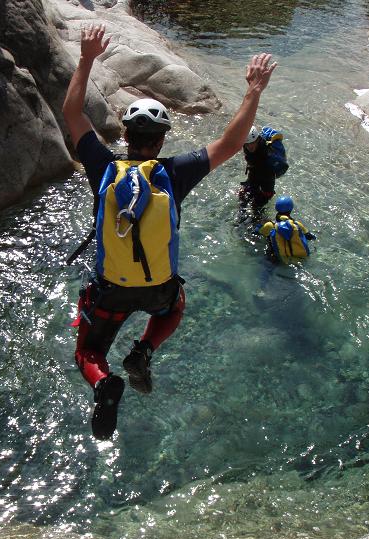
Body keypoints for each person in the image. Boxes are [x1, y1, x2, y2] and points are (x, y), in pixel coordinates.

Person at [62, 23, 276, 440]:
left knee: (87, 352)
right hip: (159, 288)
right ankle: (143, 350)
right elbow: (232, 143)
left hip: (109, 291)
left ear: (125, 134)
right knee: (174, 306)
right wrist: (254, 90)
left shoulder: (103, 167)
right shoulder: (175, 173)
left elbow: (73, 113)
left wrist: (87, 58)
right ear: (161, 141)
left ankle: (104, 384)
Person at [238, 124, 288, 214]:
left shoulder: (267, 153)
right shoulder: (247, 146)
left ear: (257, 140)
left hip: (267, 177)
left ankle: (260, 220)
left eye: (252, 143)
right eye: (247, 144)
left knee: (257, 206)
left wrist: (262, 196)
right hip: (255, 172)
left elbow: (268, 187)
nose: (249, 147)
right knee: (242, 196)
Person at [256, 196, 316, 264]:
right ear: (291, 209)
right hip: (301, 259)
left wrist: (260, 224)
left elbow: (256, 233)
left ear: (276, 208)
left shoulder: (270, 225)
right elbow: (311, 237)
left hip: (280, 260)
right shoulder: (297, 224)